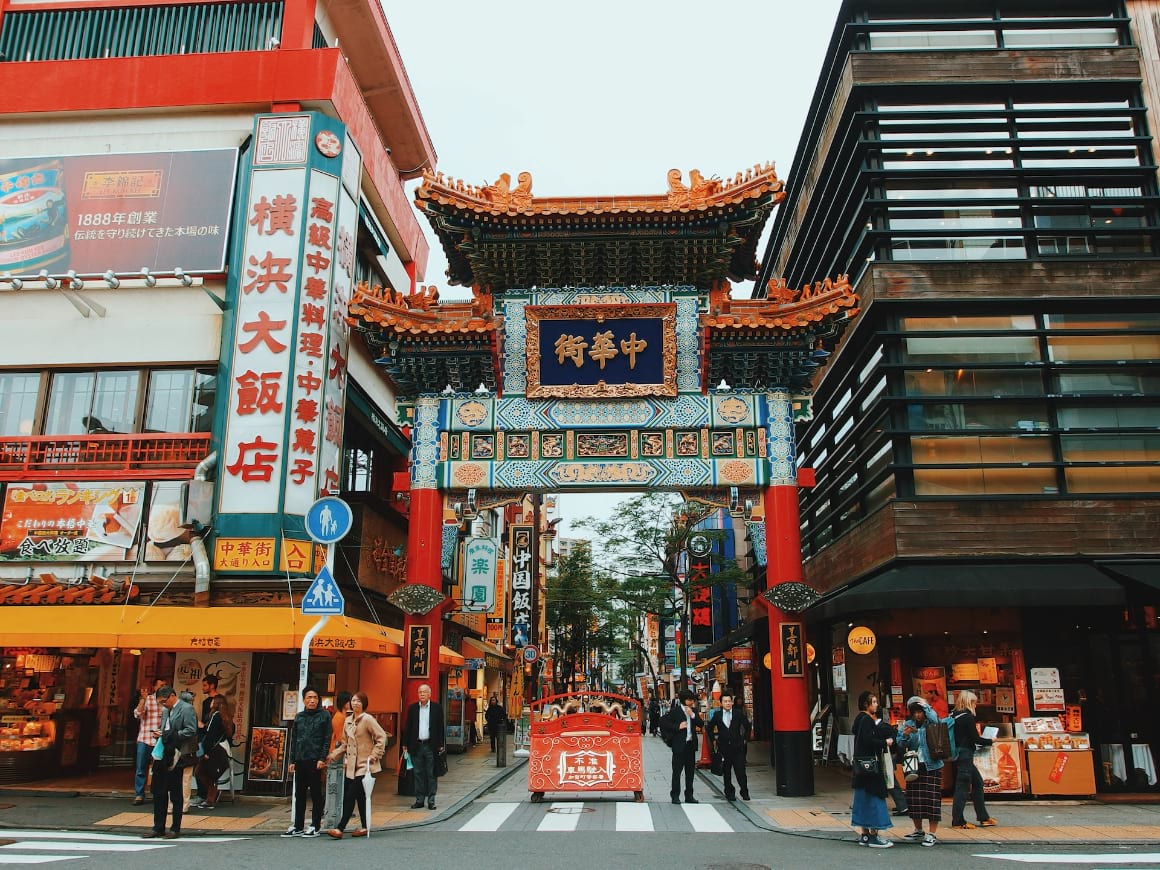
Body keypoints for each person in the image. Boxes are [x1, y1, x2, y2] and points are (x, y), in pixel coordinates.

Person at [326, 691, 387, 839]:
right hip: (351, 767)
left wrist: (375, 754)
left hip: (364, 765)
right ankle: (365, 826)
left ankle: (340, 828)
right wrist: (333, 755)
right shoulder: (347, 721)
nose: (355, 703)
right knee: (360, 797)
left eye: (359, 701)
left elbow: (382, 736)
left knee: (350, 796)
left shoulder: (367, 719)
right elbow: (345, 744)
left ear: (364, 704)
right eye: (353, 701)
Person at [143, 685, 196, 840]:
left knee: (175, 792)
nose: (163, 704)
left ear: (173, 696)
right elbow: (164, 728)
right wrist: (160, 734)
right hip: (163, 752)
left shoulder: (187, 709)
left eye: (164, 701)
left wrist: (169, 735)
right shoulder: (166, 711)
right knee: (159, 791)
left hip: (177, 753)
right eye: (160, 702)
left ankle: (175, 828)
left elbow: (191, 730)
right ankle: (158, 827)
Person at [282, 685, 332, 838]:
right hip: (300, 760)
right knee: (300, 795)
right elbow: (294, 739)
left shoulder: (325, 716)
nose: (312, 700)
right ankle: (298, 826)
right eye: (309, 698)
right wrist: (291, 760)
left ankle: (315, 825)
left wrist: (322, 758)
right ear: (304, 700)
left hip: (315, 760)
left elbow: (327, 739)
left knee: (316, 794)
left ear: (319, 700)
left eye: (315, 697)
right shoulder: (299, 717)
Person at [898, 696, 944, 847]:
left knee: (932, 800)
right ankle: (918, 830)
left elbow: (937, 720)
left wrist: (926, 706)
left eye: (920, 712)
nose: (918, 715)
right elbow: (899, 743)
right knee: (914, 799)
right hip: (914, 766)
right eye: (915, 712)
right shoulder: (908, 724)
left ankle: (932, 833)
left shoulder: (931, 723)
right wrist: (905, 735)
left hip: (932, 765)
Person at [851, 690, 895, 848]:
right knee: (875, 799)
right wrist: (886, 742)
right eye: (874, 702)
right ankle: (875, 836)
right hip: (871, 766)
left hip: (861, 767)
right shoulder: (868, 720)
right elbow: (869, 740)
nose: (876, 705)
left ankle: (864, 835)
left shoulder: (858, 720)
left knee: (862, 800)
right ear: (866, 704)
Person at [950, 690, 998, 830]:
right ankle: (958, 821)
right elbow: (975, 738)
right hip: (966, 754)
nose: (976, 705)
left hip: (958, 754)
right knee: (962, 788)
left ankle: (983, 817)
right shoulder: (968, 717)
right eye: (975, 702)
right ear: (969, 702)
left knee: (978, 783)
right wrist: (990, 740)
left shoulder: (954, 715)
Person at [402, 683, 445, 810]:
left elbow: (440, 727)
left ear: (429, 694)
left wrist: (441, 744)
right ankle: (419, 799)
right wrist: (405, 744)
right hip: (416, 745)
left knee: (431, 773)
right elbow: (408, 726)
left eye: (424, 692)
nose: (421, 694)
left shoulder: (437, 708)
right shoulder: (413, 708)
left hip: (431, 745)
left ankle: (431, 800)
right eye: (420, 692)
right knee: (418, 773)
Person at [660, 689, 703, 805]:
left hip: (690, 745)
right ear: (684, 700)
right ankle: (675, 796)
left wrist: (693, 715)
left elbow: (701, 724)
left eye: (692, 700)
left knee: (690, 773)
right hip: (679, 746)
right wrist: (678, 726)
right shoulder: (675, 711)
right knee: (677, 772)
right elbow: (663, 722)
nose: (692, 702)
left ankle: (689, 795)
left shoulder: (693, 710)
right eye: (690, 700)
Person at [707, 689, 750, 801]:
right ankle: (729, 792)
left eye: (729, 701)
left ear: (732, 702)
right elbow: (709, 728)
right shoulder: (717, 715)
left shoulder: (737, 713)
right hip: (724, 748)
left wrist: (745, 739)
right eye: (725, 701)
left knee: (740, 771)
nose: (727, 703)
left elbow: (747, 726)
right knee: (726, 772)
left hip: (737, 747)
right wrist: (713, 739)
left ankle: (744, 791)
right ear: (721, 703)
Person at [193, 695, 233, 810]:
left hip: (214, 751)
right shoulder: (226, 717)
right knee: (210, 775)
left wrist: (205, 751)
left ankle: (211, 798)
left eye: (212, 701)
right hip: (223, 750)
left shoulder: (215, 715)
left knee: (201, 771)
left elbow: (210, 735)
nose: (210, 703)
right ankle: (211, 797)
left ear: (215, 703)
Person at [131, 678, 164, 806]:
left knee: (159, 768)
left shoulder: (167, 701)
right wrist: (143, 699)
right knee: (141, 767)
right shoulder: (148, 699)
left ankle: (158, 793)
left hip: (160, 739)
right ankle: (139, 794)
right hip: (145, 738)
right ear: (154, 687)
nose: (162, 688)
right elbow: (138, 714)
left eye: (165, 685)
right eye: (160, 685)